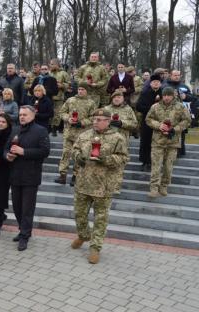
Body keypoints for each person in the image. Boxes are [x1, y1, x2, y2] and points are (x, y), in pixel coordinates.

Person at [71, 108, 129, 264]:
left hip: (104, 186)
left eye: (99, 119)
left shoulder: (117, 138)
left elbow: (123, 158)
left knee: (100, 219)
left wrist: (106, 159)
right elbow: (74, 150)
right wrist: (79, 158)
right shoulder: (84, 135)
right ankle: (83, 235)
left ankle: (95, 248)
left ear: (107, 121)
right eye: (94, 119)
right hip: (83, 182)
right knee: (79, 214)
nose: (95, 122)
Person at [5, 105, 50, 251]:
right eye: (20, 115)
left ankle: (24, 236)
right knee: (17, 207)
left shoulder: (41, 130)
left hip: (31, 176)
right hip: (15, 175)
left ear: (33, 115)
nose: (21, 117)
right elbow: (6, 148)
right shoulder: (15, 129)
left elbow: (45, 151)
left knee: (27, 209)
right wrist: (7, 156)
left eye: (25, 114)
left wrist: (23, 151)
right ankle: (23, 230)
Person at [145, 87, 191, 198]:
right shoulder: (155, 106)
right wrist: (158, 125)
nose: (166, 97)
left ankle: (164, 185)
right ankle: (154, 187)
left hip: (172, 141)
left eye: (168, 95)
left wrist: (175, 129)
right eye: (164, 95)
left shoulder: (180, 107)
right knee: (156, 165)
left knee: (168, 166)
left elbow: (187, 120)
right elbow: (148, 119)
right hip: (158, 141)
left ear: (173, 95)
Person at [55, 83, 95, 185]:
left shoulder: (91, 103)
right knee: (66, 153)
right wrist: (68, 119)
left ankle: (76, 176)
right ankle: (62, 175)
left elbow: (93, 118)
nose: (80, 91)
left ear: (87, 91)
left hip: (82, 134)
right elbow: (62, 112)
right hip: (69, 132)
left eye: (83, 89)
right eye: (79, 89)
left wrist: (82, 122)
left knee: (79, 155)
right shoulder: (70, 100)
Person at [104, 91, 137, 194]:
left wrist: (122, 123)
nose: (117, 99)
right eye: (115, 97)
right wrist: (108, 123)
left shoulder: (128, 109)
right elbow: (97, 122)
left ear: (123, 99)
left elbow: (134, 124)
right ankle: (105, 185)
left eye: (119, 97)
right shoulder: (106, 109)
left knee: (119, 164)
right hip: (107, 141)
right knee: (106, 163)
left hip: (122, 141)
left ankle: (116, 187)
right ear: (112, 98)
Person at [136, 74, 162, 171]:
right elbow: (138, 107)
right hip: (147, 121)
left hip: (159, 122)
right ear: (150, 83)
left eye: (157, 82)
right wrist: (151, 107)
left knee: (157, 142)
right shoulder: (144, 93)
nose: (155, 83)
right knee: (145, 142)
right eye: (154, 82)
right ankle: (144, 161)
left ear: (160, 84)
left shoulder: (163, 93)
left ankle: (155, 162)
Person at [49, 58, 70, 136]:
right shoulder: (49, 73)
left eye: (52, 64)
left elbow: (69, 84)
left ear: (57, 65)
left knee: (57, 114)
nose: (50, 65)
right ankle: (49, 128)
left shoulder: (63, 73)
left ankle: (55, 129)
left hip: (59, 97)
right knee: (50, 113)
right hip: (49, 97)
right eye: (50, 64)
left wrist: (62, 85)